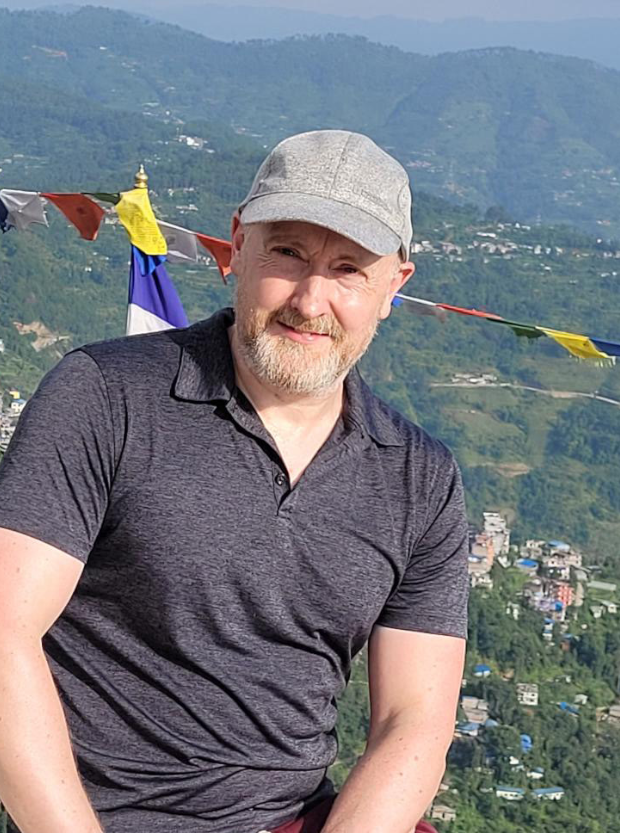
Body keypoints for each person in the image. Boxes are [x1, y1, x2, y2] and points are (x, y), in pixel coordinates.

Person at [0, 130, 469, 833]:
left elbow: (415, 722)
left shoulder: (419, 480)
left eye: (348, 269)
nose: (310, 300)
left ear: (392, 288)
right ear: (237, 246)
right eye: (288, 253)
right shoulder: (105, 396)